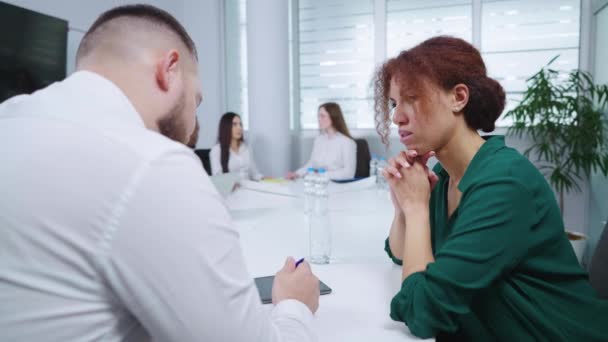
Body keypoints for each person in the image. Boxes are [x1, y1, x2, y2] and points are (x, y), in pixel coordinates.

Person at [0, 5, 320, 341]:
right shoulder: (152, 162)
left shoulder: (10, 120)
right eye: (196, 102)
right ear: (169, 69)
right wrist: (295, 306)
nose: (194, 125)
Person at [373, 36, 608, 341]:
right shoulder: (447, 176)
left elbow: (423, 312)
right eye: (393, 103)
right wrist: (403, 203)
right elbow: (403, 254)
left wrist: (417, 209)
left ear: (458, 97)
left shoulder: (504, 183)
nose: (396, 117)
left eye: (412, 97)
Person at [286, 102, 356, 180]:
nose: (319, 119)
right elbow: (312, 163)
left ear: (333, 117)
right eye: (318, 116)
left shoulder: (347, 142)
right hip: (318, 183)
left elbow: (349, 173)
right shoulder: (319, 140)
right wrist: (297, 174)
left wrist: (321, 175)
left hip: (337, 186)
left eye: (323, 116)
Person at [210, 112, 264, 181]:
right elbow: (218, 179)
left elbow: (255, 174)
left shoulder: (246, 147)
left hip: (250, 188)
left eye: (240, 124)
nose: (239, 128)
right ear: (226, 127)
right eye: (234, 124)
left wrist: (273, 180)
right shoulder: (216, 150)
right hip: (231, 190)